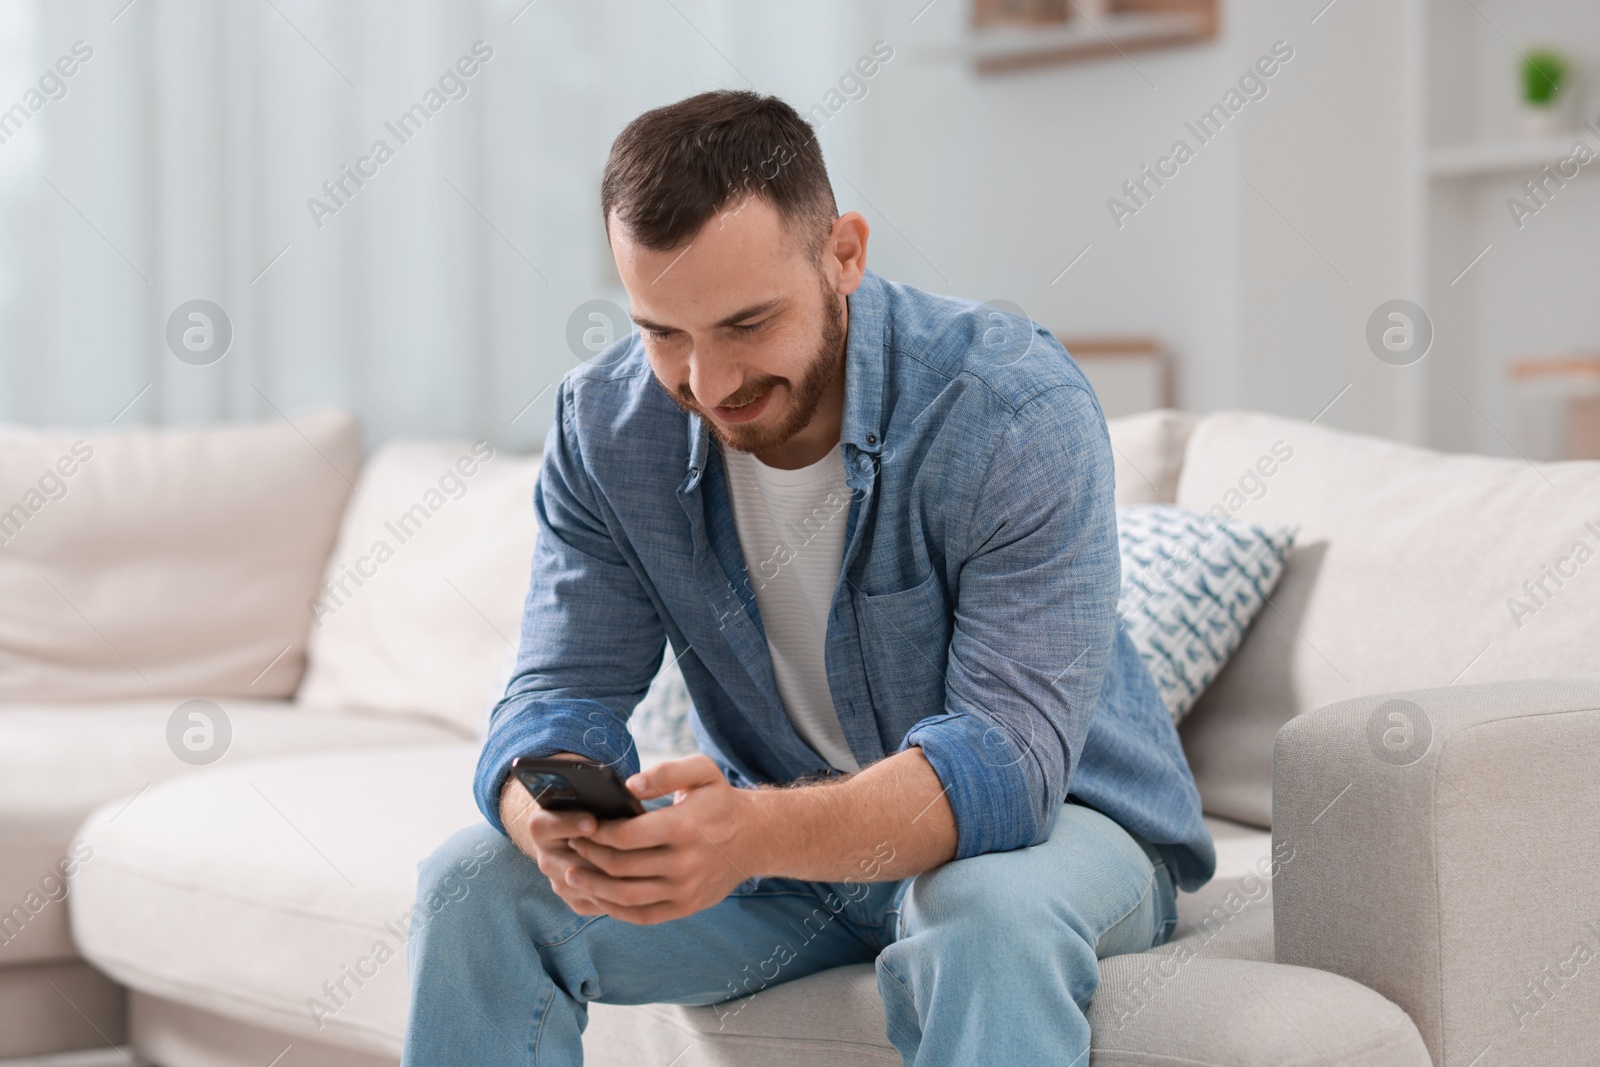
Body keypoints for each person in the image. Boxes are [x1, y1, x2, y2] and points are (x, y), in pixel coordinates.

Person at [401, 88, 1214, 1067]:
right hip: (788, 860)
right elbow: (558, 692)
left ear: (844, 254)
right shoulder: (607, 429)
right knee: (472, 881)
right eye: (663, 331)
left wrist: (745, 834)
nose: (706, 382)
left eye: (745, 322)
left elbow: (1006, 767)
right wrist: (556, 822)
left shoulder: (1007, 405)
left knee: (981, 910)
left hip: (1057, 831)